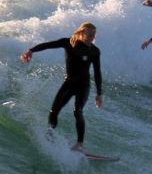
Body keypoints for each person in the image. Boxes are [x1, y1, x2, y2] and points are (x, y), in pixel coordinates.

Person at [20, 22, 103, 151]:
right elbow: (48, 45)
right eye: (89, 35)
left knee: (77, 111)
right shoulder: (68, 43)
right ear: (82, 33)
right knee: (54, 111)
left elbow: (97, 73)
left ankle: (79, 145)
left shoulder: (94, 51)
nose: (92, 38)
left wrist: (99, 94)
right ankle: (50, 136)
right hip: (68, 83)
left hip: (83, 86)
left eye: (93, 35)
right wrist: (31, 50)